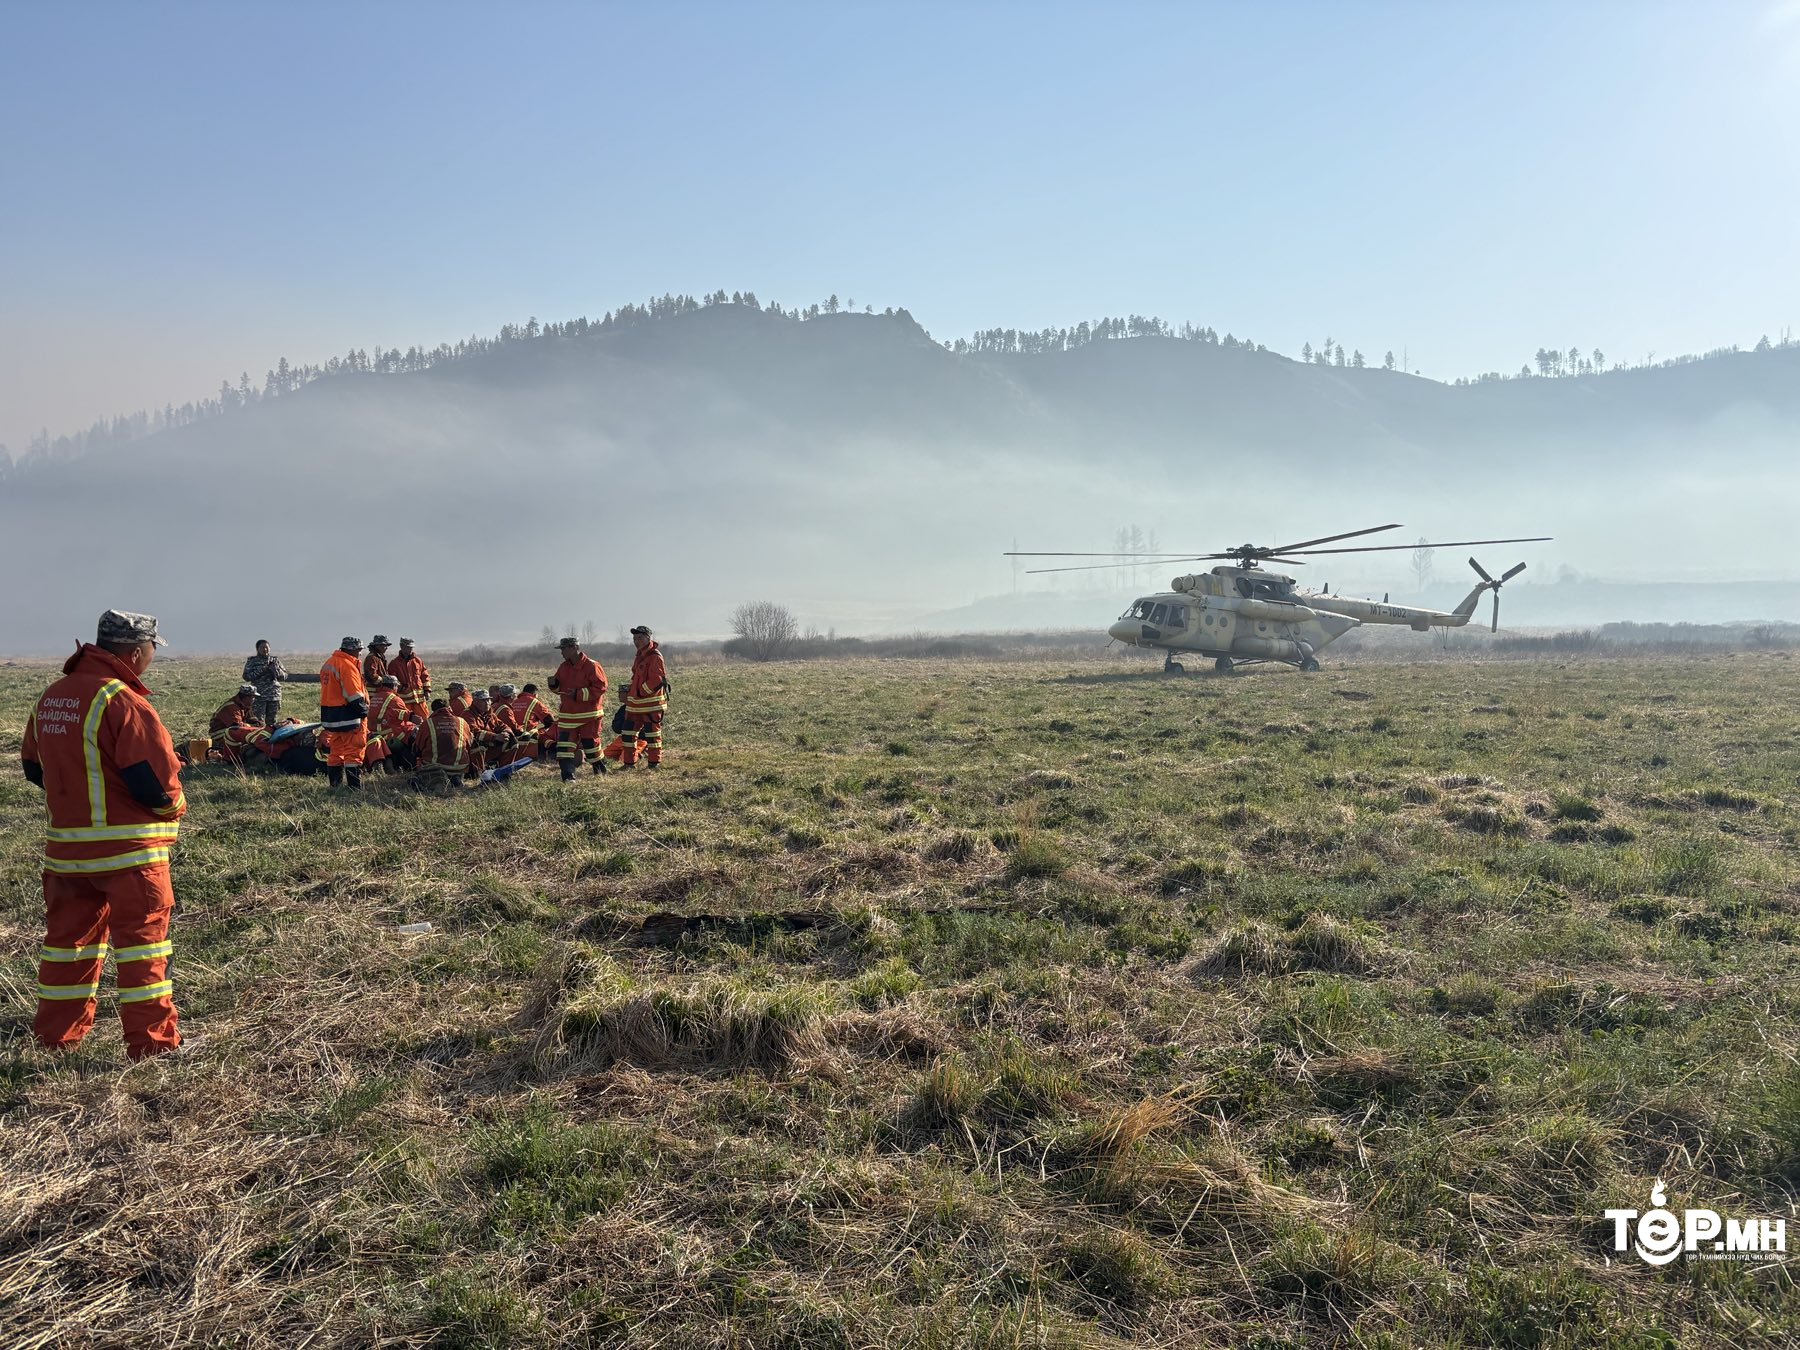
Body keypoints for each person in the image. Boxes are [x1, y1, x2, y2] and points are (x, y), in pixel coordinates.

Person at [19, 609, 188, 1059]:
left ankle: (56, 1039)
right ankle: (153, 1048)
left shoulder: (51, 697)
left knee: (67, 949)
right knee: (142, 952)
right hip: (130, 857)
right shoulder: (124, 702)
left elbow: (34, 768)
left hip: (66, 856)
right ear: (135, 652)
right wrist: (175, 807)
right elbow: (155, 783)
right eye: (152, 650)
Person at [607, 624, 670, 769]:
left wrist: (638, 692)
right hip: (636, 705)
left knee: (652, 735)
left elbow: (656, 680)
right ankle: (629, 763)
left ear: (648, 638)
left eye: (640, 638)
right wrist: (630, 690)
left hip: (651, 706)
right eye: (635, 638)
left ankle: (654, 764)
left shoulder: (655, 656)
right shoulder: (640, 656)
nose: (637, 641)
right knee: (628, 734)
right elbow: (638, 677)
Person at [548, 635, 607, 780]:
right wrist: (553, 685)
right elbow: (560, 690)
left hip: (589, 716)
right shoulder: (563, 667)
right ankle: (568, 778)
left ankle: (600, 771)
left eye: (563, 649)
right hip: (568, 717)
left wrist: (578, 694)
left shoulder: (592, 665)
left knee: (590, 746)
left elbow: (601, 687)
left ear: (574, 648)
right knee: (563, 749)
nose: (561, 652)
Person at [319, 636, 369, 790]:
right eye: (359, 650)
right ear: (352, 649)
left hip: (331, 717)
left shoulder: (329, 663)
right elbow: (353, 694)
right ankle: (354, 788)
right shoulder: (347, 666)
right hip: (348, 716)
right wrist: (364, 711)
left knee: (336, 752)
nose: (360, 653)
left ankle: (335, 785)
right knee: (353, 751)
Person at [412, 697, 470, 795]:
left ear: (434, 710)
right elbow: (469, 743)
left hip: (435, 767)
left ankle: (438, 780)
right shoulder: (462, 722)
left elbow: (417, 748)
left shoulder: (427, 724)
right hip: (460, 767)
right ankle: (455, 778)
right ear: (449, 708)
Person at [363, 674, 419, 773]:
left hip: (373, 735)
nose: (397, 688)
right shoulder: (394, 699)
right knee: (412, 733)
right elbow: (403, 716)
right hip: (389, 735)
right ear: (393, 686)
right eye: (397, 686)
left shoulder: (374, 698)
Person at [209, 683, 276, 764]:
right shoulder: (231, 707)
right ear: (245, 697)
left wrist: (259, 724)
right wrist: (253, 727)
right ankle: (231, 758)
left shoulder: (244, 705)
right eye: (253, 697)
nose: (254, 699)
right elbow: (236, 726)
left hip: (232, 730)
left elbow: (253, 719)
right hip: (220, 734)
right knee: (242, 744)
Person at [242, 639, 288, 727]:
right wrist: (262, 670)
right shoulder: (252, 661)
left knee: (272, 722)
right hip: (259, 696)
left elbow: (285, 676)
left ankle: (271, 739)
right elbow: (246, 677)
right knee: (258, 720)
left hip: (274, 696)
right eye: (262, 648)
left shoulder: (275, 660)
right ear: (257, 649)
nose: (265, 650)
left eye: (267, 647)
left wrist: (276, 670)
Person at [390, 637, 431, 718]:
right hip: (405, 702)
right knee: (406, 723)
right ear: (401, 646)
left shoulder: (418, 661)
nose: (410, 649)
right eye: (408, 647)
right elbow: (393, 681)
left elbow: (425, 676)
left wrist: (427, 690)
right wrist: (401, 688)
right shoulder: (394, 664)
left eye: (411, 647)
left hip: (419, 701)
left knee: (424, 721)